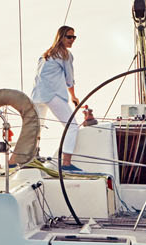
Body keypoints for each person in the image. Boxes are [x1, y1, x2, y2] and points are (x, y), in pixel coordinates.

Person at [30, 25, 88, 173]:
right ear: (61, 37)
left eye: (74, 37)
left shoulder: (45, 55)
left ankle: (31, 159)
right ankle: (66, 163)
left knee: (37, 128)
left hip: (37, 95)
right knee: (72, 126)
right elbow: (69, 80)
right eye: (69, 37)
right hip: (52, 94)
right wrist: (74, 97)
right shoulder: (65, 55)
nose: (72, 40)